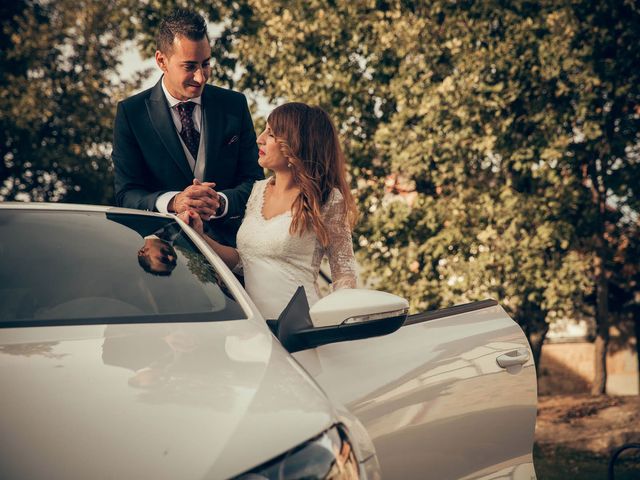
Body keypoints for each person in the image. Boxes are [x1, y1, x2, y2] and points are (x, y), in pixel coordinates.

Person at [180, 102, 359, 319]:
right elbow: (245, 262)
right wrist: (198, 235)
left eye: (271, 134)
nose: (260, 138)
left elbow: (345, 274)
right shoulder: (257, 190)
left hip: (300, 328)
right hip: (252, 328)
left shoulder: (327, 198)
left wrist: (339, 322)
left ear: (296, 144)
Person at [112, 8, 263, 247]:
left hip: (232, 252)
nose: (201, 77)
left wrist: (220, 202)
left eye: (206, 64)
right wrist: (174, 202)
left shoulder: (234, 105)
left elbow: (255, 182)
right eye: (190, 66)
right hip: (167, 255)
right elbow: (127, 194)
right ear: (161, 60)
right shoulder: (131, 113)